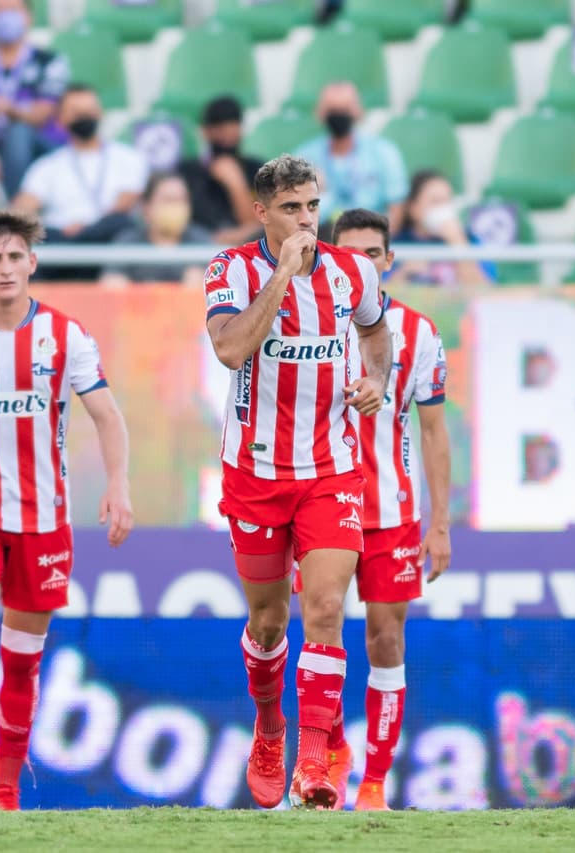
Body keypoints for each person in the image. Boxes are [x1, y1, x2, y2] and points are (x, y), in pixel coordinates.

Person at [202, 154, 392, 809]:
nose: (306, 220)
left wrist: (377, 380)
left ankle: (314, 761)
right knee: (266, 620)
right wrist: (281, 277)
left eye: (312, 206)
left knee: (327, 608)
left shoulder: (351, 271)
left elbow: (376, 328)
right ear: (262, 212)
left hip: (330, 470)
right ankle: (270, 725)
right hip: (255, 473)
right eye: (291, 209)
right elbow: (229, 349)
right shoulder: (232, 269)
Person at [0, 209, 134, 811]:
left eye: (15, 257)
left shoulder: (65, 337)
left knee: (21, 664)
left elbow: (107, 415)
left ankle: (7, 789)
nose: (5, 268)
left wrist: (118, 487)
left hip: (45, 521)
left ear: (32, 264)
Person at [330, 208, 451, 811]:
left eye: (372, 253)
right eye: (349, 252)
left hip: (392, 511)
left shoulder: (419, 332)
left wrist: (441, 524)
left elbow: (434, 432)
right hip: (319, 502)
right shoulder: (303, 323)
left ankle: (374, 783)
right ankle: (327, 755)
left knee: (385, 638)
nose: (362, 263)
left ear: (388, 261)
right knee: (318, 633)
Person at [0, 0, 70, 204]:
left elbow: (40, 115)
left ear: (28, 16)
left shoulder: (49, 61)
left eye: (12, 10)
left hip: (44, 146)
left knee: (19, 133)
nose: (4, 16)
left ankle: (15, 212)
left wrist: (9, 109)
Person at [13, 83, 147, 244]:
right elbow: (22, 210)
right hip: (61, 243)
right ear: (61, 118)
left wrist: (85, 229)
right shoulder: (47, 166)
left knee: (120, 223)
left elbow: (124, 205)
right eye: (77, 113)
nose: (84, 117)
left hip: (108, 243)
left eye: (89, 111)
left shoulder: (129, 158)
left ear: (100, 113)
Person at [295, 81, 407, 229]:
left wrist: (376, 246)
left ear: (358, 111)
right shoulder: (305, 157)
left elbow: (396, 209)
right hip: (321, 239)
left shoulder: (383, 152)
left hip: (370, 233)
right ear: (320, 113)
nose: (339, 115)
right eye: (333, 109)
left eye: (345, 109)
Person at [100, 172, 214, 287]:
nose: (175, 207)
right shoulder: (127, 243)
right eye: (168, 200)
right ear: (147, 206)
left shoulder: (202, 243)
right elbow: (111, 285)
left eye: (181, 200)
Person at [176, 95, 264, 244]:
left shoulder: (256, 169)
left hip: (247, 248)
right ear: (205, 130)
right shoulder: (188, 171)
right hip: (197, 246)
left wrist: (236, 184)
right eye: (219, 126)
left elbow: (261, 223)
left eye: (233, 125)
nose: (227, 133)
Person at [392, 169, 494, 286]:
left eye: (447, 202)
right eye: (436, 202)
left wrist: (458, 242)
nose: (443, 209)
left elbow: (484, 290)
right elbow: (378, 295)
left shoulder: (471, 240)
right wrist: (403, 273)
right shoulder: (397, 245)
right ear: (413, 208)